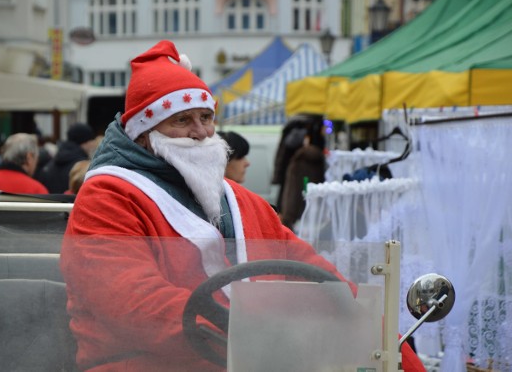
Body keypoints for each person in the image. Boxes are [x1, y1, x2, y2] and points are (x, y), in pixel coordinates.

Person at [60, 40, 425, 372]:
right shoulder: (106, 199)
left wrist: (387, 342)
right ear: (144, 134)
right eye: (182, 120)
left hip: (252, 358)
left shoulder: (240, 200)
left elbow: (310, 269)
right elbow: (134, 304)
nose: (201, 132)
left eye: (206, 118)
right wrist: (265, 337)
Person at [272, 115, 327, 228]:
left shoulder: (297, 162)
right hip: (311, 216)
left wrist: (287, 216)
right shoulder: (306, 162)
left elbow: (291, 195)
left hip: (296, 216)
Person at [38, 123, 98, 194]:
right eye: (91, 140)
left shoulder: (50, 164)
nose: (93, 144)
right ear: (85, 141)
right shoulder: (82, 168)